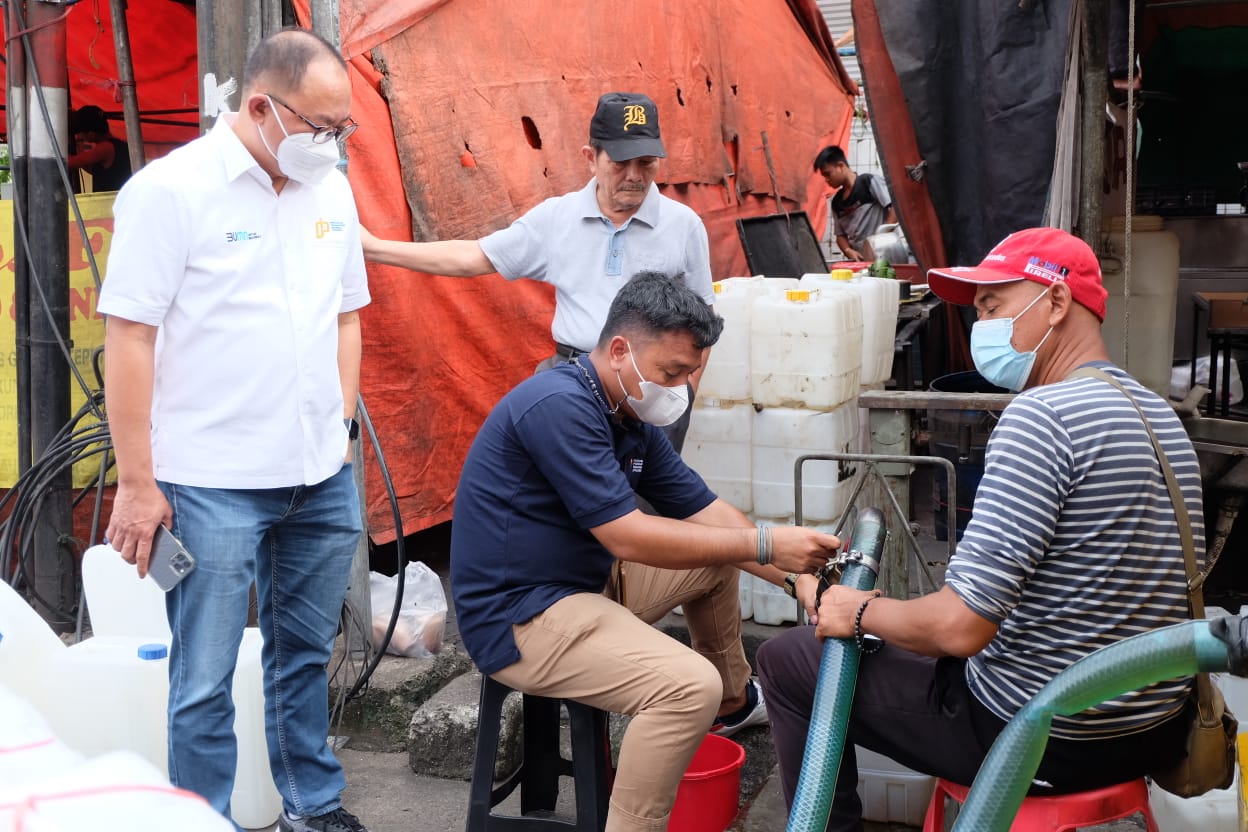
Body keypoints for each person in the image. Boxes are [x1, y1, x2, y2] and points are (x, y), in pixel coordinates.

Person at [756, 227, 1203, 832]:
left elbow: (960, 628)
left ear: (1056, 302)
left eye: (993, 305)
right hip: (1154, 730)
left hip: (1045, 734)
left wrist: (855, 611)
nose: (981, 327)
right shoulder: (1157, 414)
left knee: (788, 663)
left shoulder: (1042, 419)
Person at [97, 28, 370, 832]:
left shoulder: (330, 188)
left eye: (343, 127)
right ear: (261, 107)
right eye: (324, 128)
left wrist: (342, 425)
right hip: (210, 483)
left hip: (319, 474)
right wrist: (140, 483)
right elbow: (130, 338)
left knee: (304, 660)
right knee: (205, 677)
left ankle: (312, 808)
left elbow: (347, 317)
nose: (336, 144)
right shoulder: (170, 192)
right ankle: (203, 819)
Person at [450, 274, 840, 832]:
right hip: (522, 615)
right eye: (671, 372)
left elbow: (707, 513)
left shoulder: (628, 416)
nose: (679, 388)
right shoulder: (559, 406)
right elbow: (627, 536)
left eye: (689, 373)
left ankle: (731, 704)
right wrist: (767, 542)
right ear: (619, 349)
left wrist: (796, 579)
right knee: (686, 686)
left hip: (585, 586)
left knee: (712, 556)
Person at [359, 91, 713, 450]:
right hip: (578, 382)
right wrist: (375, 248)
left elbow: (703, 321)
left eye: (646, 163)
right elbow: (475, 257)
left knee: (644, 499)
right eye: (620, 163)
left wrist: (681, 399)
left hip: (650, 389)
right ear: (591, 158)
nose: (635, 176)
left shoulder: (682, 226)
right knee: (560, 495)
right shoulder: (557, 218)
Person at [813, 144, 895, 262]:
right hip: (862, 261)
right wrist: (848, 250)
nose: (826, 179)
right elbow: (840, 236)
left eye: (827, 174)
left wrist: (882, 237)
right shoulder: (836, 202)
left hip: (885, 256)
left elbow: (895, 207)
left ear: (840, 166)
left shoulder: (868, 182)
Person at [68, 104, 132, 191]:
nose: (78, 136)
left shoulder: (105, 148)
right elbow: (94, 171)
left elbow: (70, 163)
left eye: (80, 133)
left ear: (91, 134)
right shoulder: (119, 146)